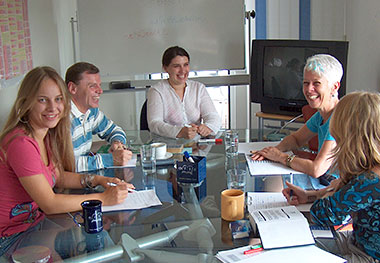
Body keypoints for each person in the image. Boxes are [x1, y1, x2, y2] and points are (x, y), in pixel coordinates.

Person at [0, 67, 133, 257]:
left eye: (58, 99)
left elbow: (58, 177)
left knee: (100, 239)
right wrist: (104, 198)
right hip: (10, 238)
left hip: (36, 223)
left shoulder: (45, 134)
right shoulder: (21, 143)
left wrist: (96, 180)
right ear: (27, 103)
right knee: (99, 245)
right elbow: (50, 203)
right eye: (42, 100)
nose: (52, 108)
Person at [282, 92, 380, 262]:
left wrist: (333, 190)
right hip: (357, 242)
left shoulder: (370, 181)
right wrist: (310, 195)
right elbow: (344, 199)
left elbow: (323, 215)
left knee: (293, 252)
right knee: (290, 243)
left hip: (369, 256)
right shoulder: (371, 170)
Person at [251, 54, 343, 186]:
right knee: (273, 181)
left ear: (334, 87)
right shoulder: (321, 114)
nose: (309, 90)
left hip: (333, 186)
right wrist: (273, 151)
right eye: (306, 83)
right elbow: (296, 139)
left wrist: (280, 157)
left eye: (316, 83)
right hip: (323, 179)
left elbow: (317, 169)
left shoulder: (338, 119)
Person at [65, 62, 132, 172]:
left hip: (86, 177)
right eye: (92, 86)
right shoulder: (63, 119)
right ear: (72, 88)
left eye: (99, 85)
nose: (100, 91)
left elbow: (115, 130)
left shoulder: (91, 112)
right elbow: (67, 165)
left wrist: (117, 143)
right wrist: (110, 160)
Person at [147, 46, 222, 139]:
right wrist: (179, 131)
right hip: (168, 147)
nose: (183, 71)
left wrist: (208, 127)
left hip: (196, 146)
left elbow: (213, 116)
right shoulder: (156, 91)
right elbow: (154, 123)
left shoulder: (198, 88)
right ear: (166, 68)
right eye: (176, 66)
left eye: (186, 65)